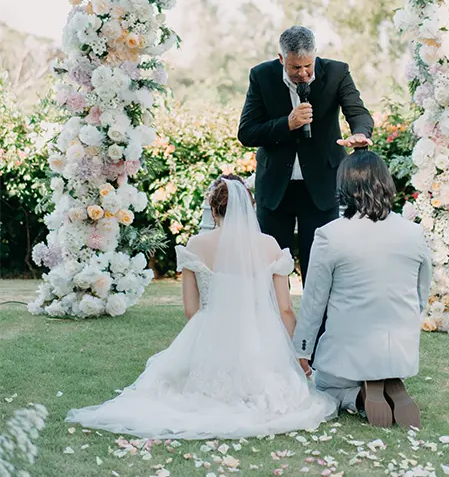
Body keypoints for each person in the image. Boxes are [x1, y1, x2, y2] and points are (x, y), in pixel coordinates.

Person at [66, 176, 336, 439]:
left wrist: (204, 342)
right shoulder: (269, 245)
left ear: (214, 211)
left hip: (212, 336)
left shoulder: (196, 244)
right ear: (249, 208)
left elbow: (191, 310)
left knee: (177, 389)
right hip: (258, 339)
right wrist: (295, 354)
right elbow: (286, 309)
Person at [293, 151, 432, 428]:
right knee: (382, 348)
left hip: (349, 352)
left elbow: (313, 302)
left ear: (344, 187)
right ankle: (388, 377)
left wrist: (302, 351)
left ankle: (358, 394)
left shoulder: (330, 234)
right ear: (386, 184)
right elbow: (421, 293)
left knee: (322, 384)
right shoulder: (414, 233)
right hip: (399, 348)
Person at [238, 26, 374, 282]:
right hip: (275, 190)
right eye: (295, 67)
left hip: (322, 188)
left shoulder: (337, 72)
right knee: (271, 269)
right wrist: (286, 124)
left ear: (315, 55)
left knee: (320, 269)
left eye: (308, 66)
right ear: (281, 59)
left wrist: (360, 133)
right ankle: (276, 322)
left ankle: (320, 324)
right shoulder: (261, 76)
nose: (303, 73)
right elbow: (246, 132)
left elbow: (358, 112)